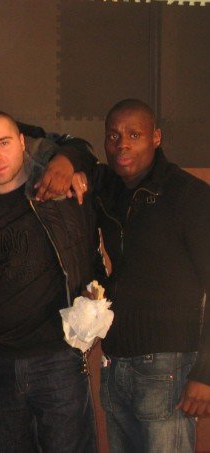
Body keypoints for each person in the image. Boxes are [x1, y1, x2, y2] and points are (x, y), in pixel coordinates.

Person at [0, 111, 97, 452]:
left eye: (3, 143)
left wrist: (93, 310)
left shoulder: (59, 192)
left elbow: (91, 255)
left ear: (22, 142)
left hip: (59, 358)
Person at [94, 99, 210, 452]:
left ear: (156, 138)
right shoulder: (109, 193)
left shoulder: (189, 195)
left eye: (134, 135)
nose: (122, 145)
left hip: (169, 366)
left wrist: (205, 373)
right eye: (113, 136)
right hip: (116, 363)